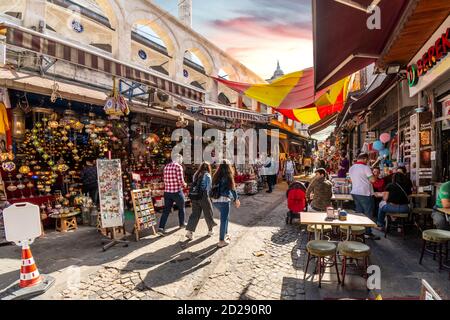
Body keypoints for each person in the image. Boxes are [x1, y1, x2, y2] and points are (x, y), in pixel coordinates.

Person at [349, 153, 379, 240]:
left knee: (359, 212)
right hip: (364, 193)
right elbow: (372, 180)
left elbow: (351, 180)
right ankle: (367, 233)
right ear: (365, 159)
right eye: (367, 160)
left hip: (355, 192)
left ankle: (358, 231)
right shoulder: (366, 168)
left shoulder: (352, 168)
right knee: (368, 213)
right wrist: (376, 175)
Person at [211, 160, 240, 248]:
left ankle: (225, 234)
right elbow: (233, 189)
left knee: (225, 217)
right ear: (228, 167)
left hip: (215, 200)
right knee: (223, 220)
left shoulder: (216, 175)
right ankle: (221, 241)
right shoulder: (228, 176)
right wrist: (236, 199)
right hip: (224, 200)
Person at [186, 162, 217, 240]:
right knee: (208, 213)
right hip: (203, 197)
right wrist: (210, 198)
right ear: (208, 168)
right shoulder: (207, 175)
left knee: (195, 214)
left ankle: (189, 232)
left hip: (194, 196)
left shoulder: (196, 174)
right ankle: (210, 230)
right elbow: (208, 188)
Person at [158, 154, 187, 235]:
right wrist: (185, 184)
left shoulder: (166, 166)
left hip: (167, 192)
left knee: (166, 211)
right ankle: (182, 224)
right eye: (181, 160)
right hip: (176, 191)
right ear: (178, 159)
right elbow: (180, 181)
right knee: (181, 207)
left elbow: (165, 179)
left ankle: (161, 228)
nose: (181, 161)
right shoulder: (178, 167)